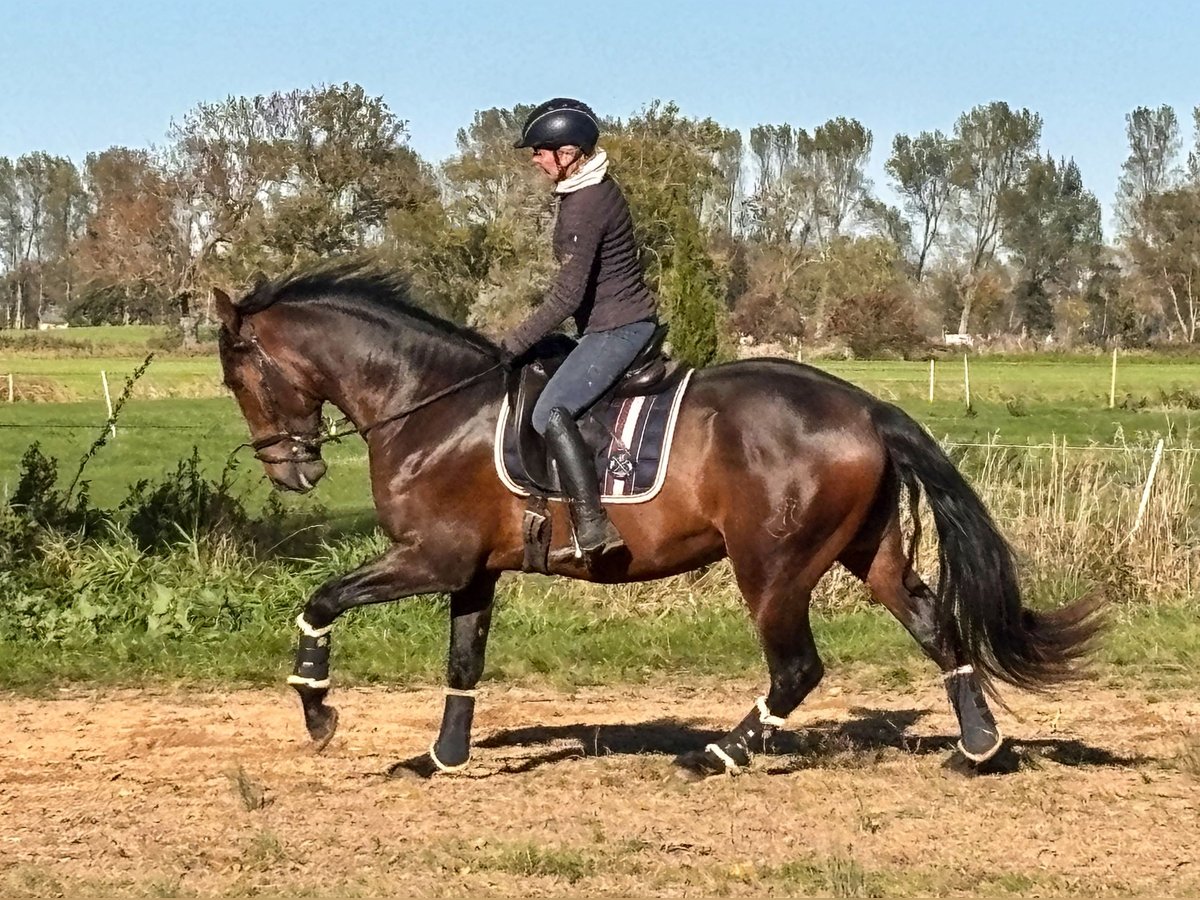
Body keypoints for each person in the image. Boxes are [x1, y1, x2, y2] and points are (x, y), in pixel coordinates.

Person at [502, 98, 659, 560]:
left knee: (549, 411)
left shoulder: (585, 204)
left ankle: (593, 524)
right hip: (611, 325)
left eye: (540, 151)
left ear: (568, 153)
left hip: (617, 329)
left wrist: (509, 344)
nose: (535, 159)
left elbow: (566, 298)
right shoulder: (591, 188)